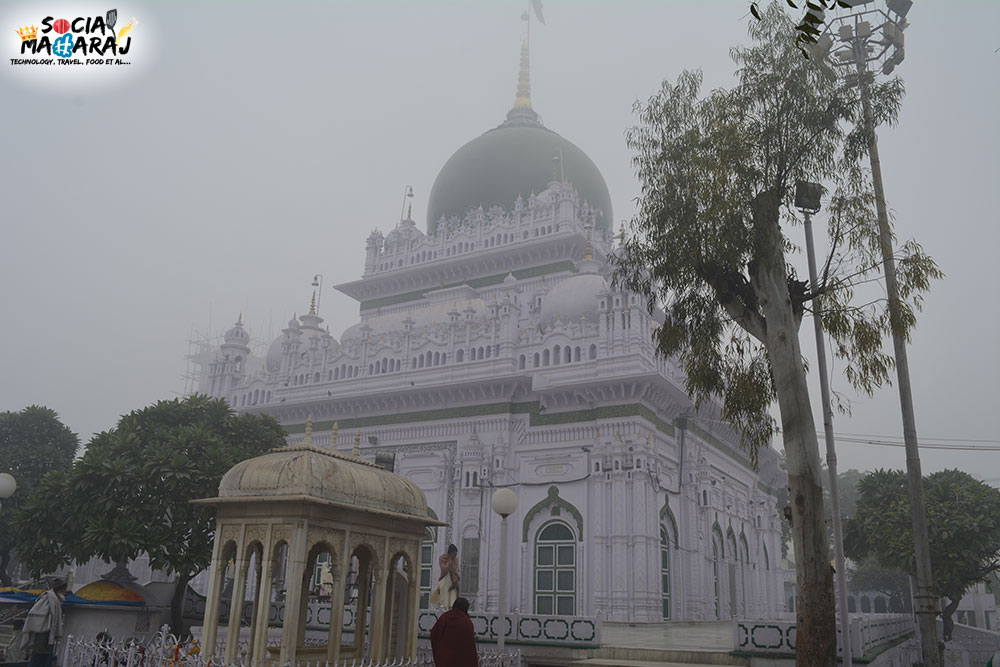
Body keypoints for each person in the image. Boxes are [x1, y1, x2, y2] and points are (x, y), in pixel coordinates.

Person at [21, 578, 68, 667]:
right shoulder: (48, 597)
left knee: (46, 657)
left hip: (49, 634)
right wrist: (45, 625)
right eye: (64, 590)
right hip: (43, 633)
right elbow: (35, 614)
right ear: (61, 590)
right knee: (39, 656)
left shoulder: (57, 600)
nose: (65, 592)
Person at [430, 597, 478, 667]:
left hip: (445, 660)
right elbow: (470, 648)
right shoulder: (467, 622)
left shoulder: (445, 617)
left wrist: (439, 652)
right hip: (462, 662)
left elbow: (434, 635)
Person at [428, 543, 460, 609]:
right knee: (443, 585)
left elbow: (456, 570)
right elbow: (444, 570)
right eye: (454, 554)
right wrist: (449, 561)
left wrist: (455, 579)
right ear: (451, 553)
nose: (455, 556)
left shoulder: (456, 559)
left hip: (454, 580)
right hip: (445, 577)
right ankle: (444, 606)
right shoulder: (442, 558)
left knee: (453, 599)